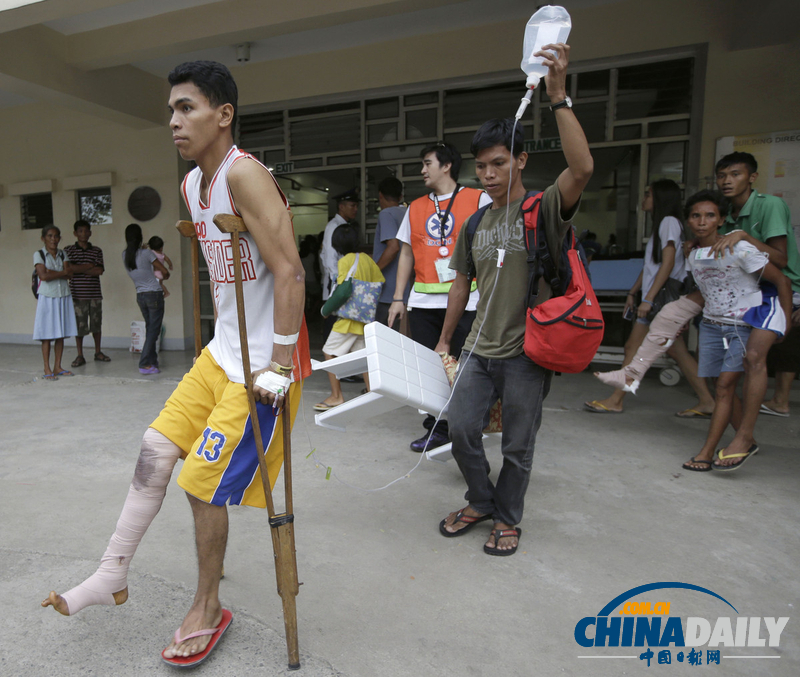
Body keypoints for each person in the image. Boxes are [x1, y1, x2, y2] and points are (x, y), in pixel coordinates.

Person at [43, 60, 312, 665]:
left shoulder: (245, 175)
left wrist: (277, 362)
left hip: (262, 366)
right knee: (154, 450)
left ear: (223, 115)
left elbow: (290, 271)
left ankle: (209, 606)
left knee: (200, 486)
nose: (173, 121)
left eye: (186, 108)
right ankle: (112, 572)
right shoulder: (193, 184)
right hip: (221, 354)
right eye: (170, 110)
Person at [435, 42, 593, 555]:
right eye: (480, 166)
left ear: (520, 160)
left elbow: (583, 168)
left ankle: (508, 516)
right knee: (460, 430)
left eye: (498, 163)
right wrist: (444, 344)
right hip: (480, 349)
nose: (487, 174)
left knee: (519, 446)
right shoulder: (475, 221)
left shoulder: (541, 208)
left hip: (528, 352)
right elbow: (461, 284)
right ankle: (481, 500)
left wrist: (559, 96)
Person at [675, 191, 791, 471]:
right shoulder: (692, 253)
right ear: (688, 221)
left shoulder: (740, 248)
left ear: (722, 220)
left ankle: (710, 450)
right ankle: (744, 440)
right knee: (720, 388)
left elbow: (783, 281)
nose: (702, 221)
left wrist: (784, 325)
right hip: (713, 324)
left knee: (728, 383)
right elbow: (711, 289)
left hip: (744, 324)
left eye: (710, 215)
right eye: (695, 216)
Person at [387, 142, 492, 452]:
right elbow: (406, 252)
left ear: (447, 166)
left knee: (464, 368)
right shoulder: (416, 207)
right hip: (423, 302)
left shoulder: (478, 199)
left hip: (467, 301)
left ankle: (466, 426)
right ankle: (436, 428)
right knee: (430, 370)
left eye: (427, 163)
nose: (422, 170)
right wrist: (398, 297)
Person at [584, 179, 715, 417]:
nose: (644, 198)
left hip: (662, 300)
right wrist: (634, 292)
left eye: (648, 194)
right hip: (656, 298)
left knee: (660, 350)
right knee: (641, 348)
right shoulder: (663, 225)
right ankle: (706, 401)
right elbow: (651, 266)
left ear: (660, 198)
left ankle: (617, 399)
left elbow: (667, 264)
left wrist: (648, 299)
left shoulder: (668, 223)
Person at [714, 151, 800, 418]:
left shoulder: (769, 205)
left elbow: (781, 258)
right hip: (749, 290)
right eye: (721, 176)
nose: (727, 181)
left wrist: (744, 236)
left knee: (757, 355)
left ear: (752, 177)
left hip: (783, 287)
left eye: (735, 174)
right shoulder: (727, 213)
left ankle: (771, 407)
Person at [314, 223, 384, 411]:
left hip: (347, 319)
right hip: (364, 317)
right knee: (362, 356)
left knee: (329, 351)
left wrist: (325, 310)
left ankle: (337, 396)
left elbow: (343, 291)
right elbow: (379, 281)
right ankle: (372, 392)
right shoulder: (368, 260)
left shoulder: (345, 262)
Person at [123, 224, 170, 375]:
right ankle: (144, 363)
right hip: (154, 294)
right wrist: (166, 276)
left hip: (140, 295)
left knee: (151, 329)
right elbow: (163, 271)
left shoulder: (125, 255)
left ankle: (152, 362)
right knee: (153, 331)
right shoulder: (147, 254)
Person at [33, 225, 78, 380]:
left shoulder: (62, 253)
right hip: (47, 297)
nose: (53, 239)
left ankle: (57, 366)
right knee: (47, 334)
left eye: (56, 236)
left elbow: (69, 274)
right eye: (50, 236)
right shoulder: (39, 254)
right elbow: (43, 276)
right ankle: (47, 368)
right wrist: (62, 273)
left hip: (63, 295)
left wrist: (54, 272)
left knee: (60, 333)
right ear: (43, 238)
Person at [65, 219, 109, 366]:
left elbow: (99, 270)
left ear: (90, 233)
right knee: (80, 326)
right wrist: (89, 266)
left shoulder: (97, 250)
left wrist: (78, 268)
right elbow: (69, 270)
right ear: (75, 233)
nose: (83, 234)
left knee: (96, 325)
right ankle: (80, 355)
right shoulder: (68, 250)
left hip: (95, 294)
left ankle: (98, 352)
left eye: (86, 231)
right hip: (78, 295)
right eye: (80, 231)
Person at [320, 189, 359, 343]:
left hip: (343, 277)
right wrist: (338, 281)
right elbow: (329, 257)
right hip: (336, 278)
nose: (355, 209)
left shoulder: (345, 225)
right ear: (341, 207)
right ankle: (329, 352)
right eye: (352, 205)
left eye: (356, 206)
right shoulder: (334, 226)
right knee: (333, 316)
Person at [372, 176, 409, 330]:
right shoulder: (408, 212)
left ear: (380, 195)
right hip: (406, 290)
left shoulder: (386, 214)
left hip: (387, 292)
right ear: (400, 196)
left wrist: (372, 271)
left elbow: (393, 247)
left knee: (385, 342)